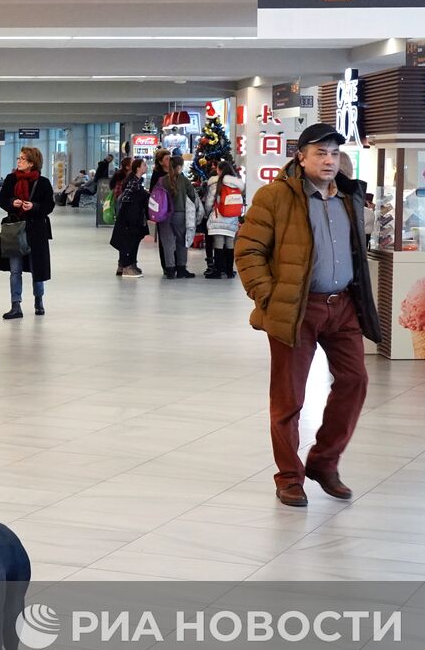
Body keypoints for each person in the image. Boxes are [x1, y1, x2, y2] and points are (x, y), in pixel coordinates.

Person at [234, 123, 381, 508]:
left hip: (343, 306)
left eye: (334, 153)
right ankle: (289, 477)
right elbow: (247, 252)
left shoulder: (348, 197)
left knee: (355, 381)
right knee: (288, 399)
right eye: (320, 152)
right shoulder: (275, 197)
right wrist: (268, 297)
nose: (328, 159)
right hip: (296, 308)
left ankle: (324, 462)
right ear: (301, 157)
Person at [0, 146, 55, 319]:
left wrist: (35, 206)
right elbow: (2, 200)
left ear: (32, 163)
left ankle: (38, 300)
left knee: (36, 268)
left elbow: (49, 205)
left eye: (22, 159)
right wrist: (12, 203)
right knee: (15, 269)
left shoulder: (43, 182)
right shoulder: (11, 179)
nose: (18, 161)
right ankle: (15, 304)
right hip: (15, 229)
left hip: (36, 230)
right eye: (18, 158)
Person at [151, 154, 198, 279]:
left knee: (167, 243)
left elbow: (155, 195)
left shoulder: (161, 180)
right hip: (180, 214)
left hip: (164, 215)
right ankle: (181, 269)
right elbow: (192, 196)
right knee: (182, 242)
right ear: (179, 167)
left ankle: (170, 269)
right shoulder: (183, 180)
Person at [203, 159, 244, 279]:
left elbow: (209, 201)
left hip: (219, 217)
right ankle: (229, 271)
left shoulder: (216, 183)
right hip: (232, 218)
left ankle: (218, 271)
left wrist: (207, 213)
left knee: (219, 243)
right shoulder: (236, 185)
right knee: (230, 243)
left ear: (219, 170)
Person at [110, 157, 148, 277]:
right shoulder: (133, 181)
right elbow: (127, 198)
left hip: (132, 216)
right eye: (144, 165)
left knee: (131, 241)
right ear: (138, 168)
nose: (146, 167)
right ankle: (127, 266)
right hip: (130, 217)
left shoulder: (135, 180)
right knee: (128, 241)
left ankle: (128, 264)